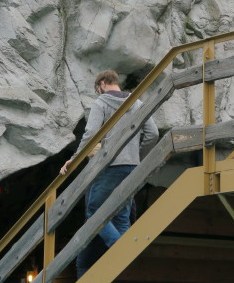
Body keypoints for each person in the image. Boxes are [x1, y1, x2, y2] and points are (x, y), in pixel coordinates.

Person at [59, 70, 159, 278]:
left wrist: (75, 158)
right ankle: (125, 253)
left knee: (94, 212)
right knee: (121, 216)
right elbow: (153, 134)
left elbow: (90, 134)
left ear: (102, 83)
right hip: (131, 167)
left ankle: (118, 248)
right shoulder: (137, 102)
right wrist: (136, 157)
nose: (98, 94)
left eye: (97, 90)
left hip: (110, 168)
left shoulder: (101, 103)